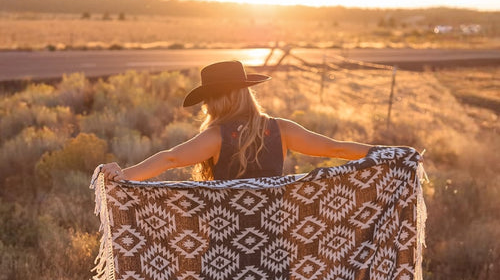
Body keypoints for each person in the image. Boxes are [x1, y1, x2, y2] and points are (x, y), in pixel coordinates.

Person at [100, 60, 373, 182]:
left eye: (208, 99)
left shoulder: (217, 137)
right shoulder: (282, 129)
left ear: (220, 100)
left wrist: (124, 175)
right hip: (273, 241)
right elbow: (336, 148)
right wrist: (390, 153)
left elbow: (169, 159)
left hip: (226, 246)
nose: (205, 105)